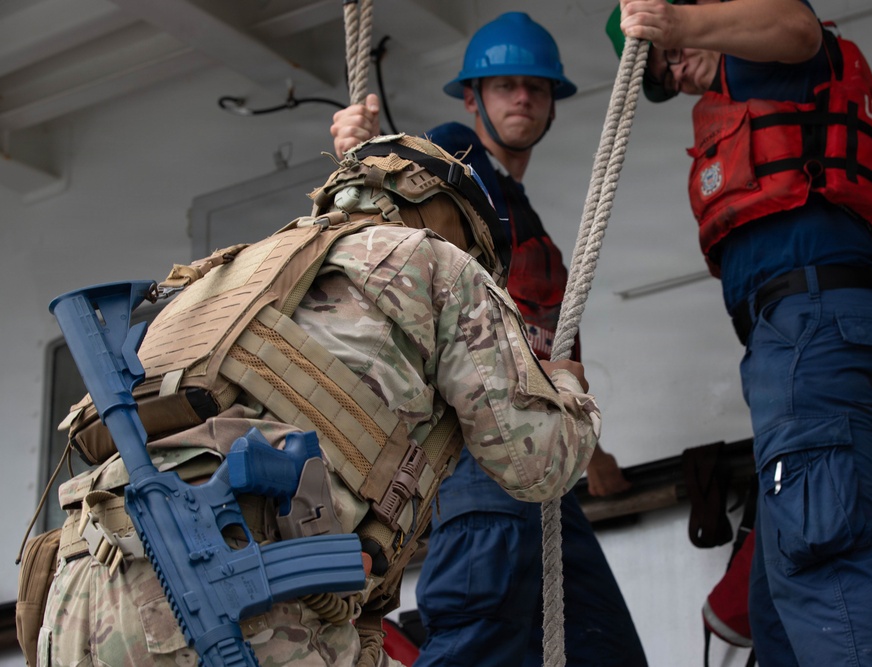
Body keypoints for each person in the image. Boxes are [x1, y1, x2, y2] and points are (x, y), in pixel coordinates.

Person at [34, 135, 602, 667]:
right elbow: (537, 464)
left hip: (79, 595)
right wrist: (567, 386)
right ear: (457, 222)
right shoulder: (436, 260)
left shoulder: (234, 272)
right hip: (230, 584)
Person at [616, 0, 872, 665]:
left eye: (670, 60)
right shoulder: (817, 112)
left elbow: (797, 24)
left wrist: (678, 25)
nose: (677, 75)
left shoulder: (770, 62)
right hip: (855, 335)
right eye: (665, 74)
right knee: (775, 609)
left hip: (808, 333)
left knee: (826, 568)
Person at [331, 12, 648, 667]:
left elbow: (548, 352)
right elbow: (387, 192)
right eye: (503, 85)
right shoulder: (454, 159)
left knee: (602, 648)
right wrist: (357, 148)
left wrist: (594, 453)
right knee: (483, 625)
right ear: (473, 98)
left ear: (553, 104)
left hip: (542, 461)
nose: (522, 98)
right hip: (478, 442)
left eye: (535, 87)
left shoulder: (531, 231)